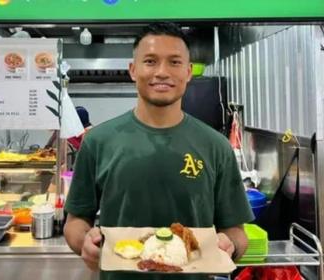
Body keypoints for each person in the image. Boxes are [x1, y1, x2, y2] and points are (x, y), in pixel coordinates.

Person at [64, 22, 254, 280]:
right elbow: (75, 222)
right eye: (150, 61)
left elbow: (236, 232)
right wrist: (84, 241)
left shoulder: (215, 146)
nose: (162, 72)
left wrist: (229, 246)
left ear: (188, 72)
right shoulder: (98, 141)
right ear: (133, 70)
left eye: (174, 62)